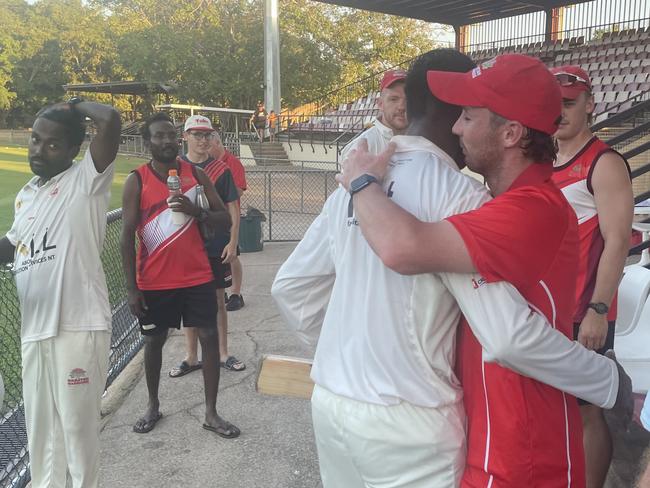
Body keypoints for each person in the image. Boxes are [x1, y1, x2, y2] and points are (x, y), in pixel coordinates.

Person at [272, 50, 631, 488]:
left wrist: (349, 358)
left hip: (332, 403)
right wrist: (606, 379)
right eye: (458, 112)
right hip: (411, 420)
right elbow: (506, 335)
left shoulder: (356, 177)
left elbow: (292, 289)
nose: (460, 125)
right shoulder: (461, 197)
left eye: (469, 113)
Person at [0, 99, 120, 487]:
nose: (38, 149)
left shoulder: (87, 182)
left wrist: (70, 104)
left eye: (52, 144)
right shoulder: (27, 195)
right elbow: (12, 246)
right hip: (35, 332)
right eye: (35, 140)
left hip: (78, 326)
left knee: (77, 438)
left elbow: (111, 121)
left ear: (73, 150)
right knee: (42, 438)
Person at [120, 112, 239, 438]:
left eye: (171, 135)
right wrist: (132, 288)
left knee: (210, 338)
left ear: (178, 139)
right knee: (154, 341)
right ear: (148, 142)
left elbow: (223, 220)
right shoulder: (138, 180)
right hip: (155, 280)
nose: (166, 141)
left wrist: (195, 211)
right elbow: (126, 237)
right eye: (158, 136)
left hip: (198, 276)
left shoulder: (196, 174)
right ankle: (153, 405)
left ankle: (211, 413)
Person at [550, 65, 635, 488]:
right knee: (555, 404)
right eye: (554, 103)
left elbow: (618, 241)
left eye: (568, 103)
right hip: (550, 308)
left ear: (589, 105)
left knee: (587, 408)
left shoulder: (603, 162)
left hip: (587, 310)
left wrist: (599, 310)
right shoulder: (545, 158)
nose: (560, 111)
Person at [168, 115, 245, 376]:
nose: (203, 140)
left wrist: (233, 242)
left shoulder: (220, 170)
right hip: (186, 246)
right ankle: (191, 356)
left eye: (207, 135)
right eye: (197, 135)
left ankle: (223, 353)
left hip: (215, 244)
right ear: (185, 137)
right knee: (188, 302)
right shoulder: (175, 169)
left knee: (218, 300)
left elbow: (233, 208)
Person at [209, 133, 248, 312]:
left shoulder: (232, 163)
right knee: (215, 256)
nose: (206, 149)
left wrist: (216, 194)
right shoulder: (208, 163)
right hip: (211, 217)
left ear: (217, 143)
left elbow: (239, 190)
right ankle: (220, 290)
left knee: (232, 256)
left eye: (209, 145)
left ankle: (236, 293)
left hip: (229, 216)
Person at [339, 69, 408, 162]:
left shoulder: (424, 143)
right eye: (394, 99)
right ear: (380, 104)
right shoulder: (359, 149)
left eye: (408, 100)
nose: (402, 107)